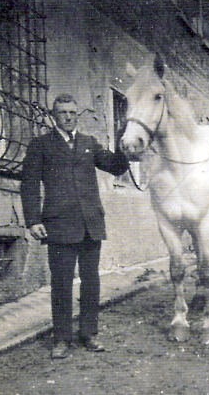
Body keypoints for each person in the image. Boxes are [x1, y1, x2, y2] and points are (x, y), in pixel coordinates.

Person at [21, 94, 129, 359]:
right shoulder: (41, 145)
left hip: (91, 224)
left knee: (91, 282)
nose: (68, 117)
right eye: (62, 113)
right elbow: (30, 184)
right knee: (61, 284)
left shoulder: (89, 143)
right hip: (58, 226)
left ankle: (88, 333)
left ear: (77, 115)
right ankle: (61, 339)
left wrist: (125, 144)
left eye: (72, 112)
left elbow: (115, 167)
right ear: (54, 115)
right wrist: (33, 220)